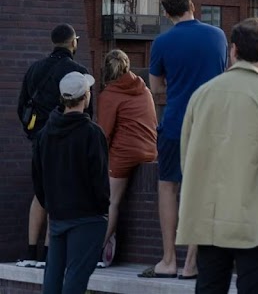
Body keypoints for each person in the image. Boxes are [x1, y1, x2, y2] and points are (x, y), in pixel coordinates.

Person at [177, 18, 258, 294]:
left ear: (233, 51)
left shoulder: (202, 94)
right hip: (257, 219)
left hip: (211, 217)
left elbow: (187, 158)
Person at [141, 0, 227, 279]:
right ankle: (191, 263)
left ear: (166, 13)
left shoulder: (161, 43)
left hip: (176, 123)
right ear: (192, 5)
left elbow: (155, 88)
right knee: (201, 190)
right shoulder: (218, 36)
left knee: (168, 187)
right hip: (211, 126)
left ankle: (168, 260)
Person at [17, 24, 92, 269]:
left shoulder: (34, 69)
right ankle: (50, 253)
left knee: (41, 192)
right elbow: (87, 113)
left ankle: (30, 252)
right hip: (66, 141)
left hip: (39, 140)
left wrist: (34, 134)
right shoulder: (78, 72)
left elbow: (21, 108)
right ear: (73, 43)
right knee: (58, 193)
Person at [32, 71, 109, 294]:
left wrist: (51, 204)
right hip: (88, 216)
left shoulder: (45, 134)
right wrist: (102, 207)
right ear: (86, 96)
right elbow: (100, 178)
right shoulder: (92, 133)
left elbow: (37, 178)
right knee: (76, 276)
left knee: (53, 275)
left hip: (57, 215)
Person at [95, 49, 157, 268]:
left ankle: (98, 248)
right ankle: (110, 237)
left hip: (124, 154)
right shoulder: (144, 89)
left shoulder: (109, 95)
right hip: (150, 149)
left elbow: (104, 134)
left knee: (111, 201)